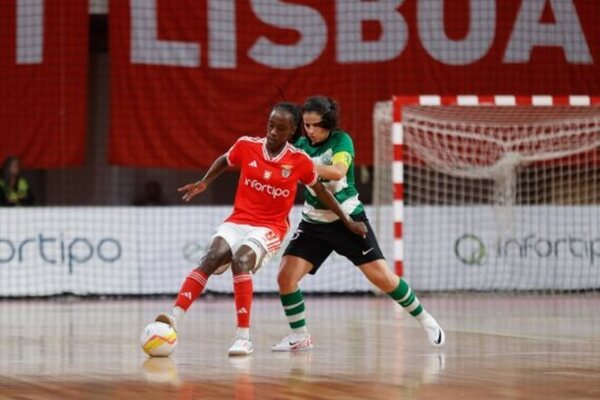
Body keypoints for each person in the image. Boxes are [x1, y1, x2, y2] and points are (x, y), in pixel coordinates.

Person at [154, 102, 367, 356]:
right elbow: (225, 159)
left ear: (291, 133)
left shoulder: (298, 160)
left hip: (270, 227)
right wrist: (204, 182)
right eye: (271, 125)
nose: (273, 132)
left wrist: (347, 221)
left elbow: (321, 191)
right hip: (238, 220)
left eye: (281, 128)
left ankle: (243, 337)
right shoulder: (247, 145)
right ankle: (174, 317)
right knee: (210, 257)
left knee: (241, 260)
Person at [271, 96, 445, 352]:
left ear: (327, 123)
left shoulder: (341, 141)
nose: (309, 131)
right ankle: (300, 335)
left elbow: (338, 171)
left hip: (349, 219)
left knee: (384, 279)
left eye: (314, 125)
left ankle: (426, 320)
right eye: (305, 125)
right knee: (285, 278)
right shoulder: (299, 145)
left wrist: (301, 164)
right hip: (313, 223)